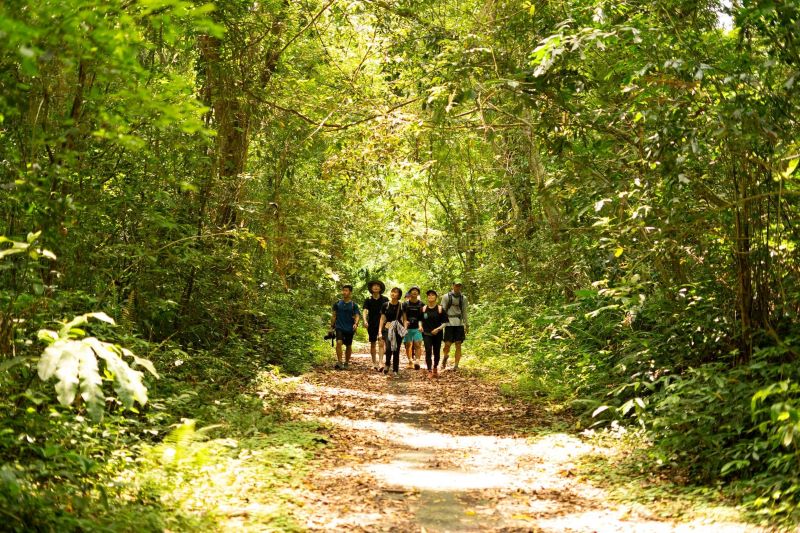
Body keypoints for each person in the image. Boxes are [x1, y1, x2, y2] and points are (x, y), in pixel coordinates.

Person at [330, 284, 360, 370]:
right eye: (343, 290)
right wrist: (331, 327)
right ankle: (339, 361)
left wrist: (356, 324)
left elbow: (357, 315)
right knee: (339, 342)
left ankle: (346, 362)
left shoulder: (354, 305)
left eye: (346, 291)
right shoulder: (337, 303)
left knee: (348, 345)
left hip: (349, 328)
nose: (344, 292)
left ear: (350, 292)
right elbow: (334, 315)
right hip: (339, 326)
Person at [420, 289, 447, 378]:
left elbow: (445, 322)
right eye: (429, 295)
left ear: (436, 297)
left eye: (432, 295)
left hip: (437, 334)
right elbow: (420, 320)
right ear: (427, 297)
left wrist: (438, 329)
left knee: (436, 351)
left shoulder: (440, 309)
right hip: (426, 333)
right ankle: (429, 370)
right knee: (428, 350)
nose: (430, 296)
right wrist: (420, 326)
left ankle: (435, 367)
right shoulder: (423, 309)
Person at [378, 287, 405, 377]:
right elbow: (382, 318)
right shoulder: (385, 305)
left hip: (398, 327)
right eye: (392, 292)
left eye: (395, 292)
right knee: (389, 348)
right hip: (388, 326)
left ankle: (395, 370)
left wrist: (405, 329)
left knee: (396, 349)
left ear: (399, 295)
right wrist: (380, 332)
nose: (393, 293)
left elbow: (405, 319)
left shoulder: (402, 305)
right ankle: (387, 364)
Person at [441, 280, 468, 371]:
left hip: (459, 324)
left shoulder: (463, 298)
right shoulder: (446, 297)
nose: (457, 287)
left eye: (459, 286)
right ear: (452, 286)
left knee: (458, 344)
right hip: (449, 323)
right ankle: (445, 356)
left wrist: (466, 324)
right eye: (456, 285)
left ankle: (456, 365)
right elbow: (442, 310)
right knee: (447, 344)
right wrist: (441, 323)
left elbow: (464, 311)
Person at [363, 280, 388, 371]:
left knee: (381, 342)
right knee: (373, 343)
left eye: (378, 286)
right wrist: (365, 320)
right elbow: (365, 311)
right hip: (372, 324)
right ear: (371, 288)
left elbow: (388, 312)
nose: (376, 287)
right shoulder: (368, 299)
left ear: (380, 288)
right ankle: (374, 363)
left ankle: (381, 362)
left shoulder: (385, 299)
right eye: (374, 286)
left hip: (382, 324)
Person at [402, 286, 424, 370]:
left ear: (418, 293)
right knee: (408, 345)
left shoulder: (421, 304)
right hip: (408, 328)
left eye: (416, 291)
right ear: (410, 293)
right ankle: (410, 361)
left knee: (418, 344)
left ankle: (417, 361)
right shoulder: (405, 304)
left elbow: (421, 318)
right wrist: (405, 327)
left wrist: (420, 326)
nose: (414, 292)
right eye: (413, 291)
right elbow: (404, 317)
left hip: (417, 327)